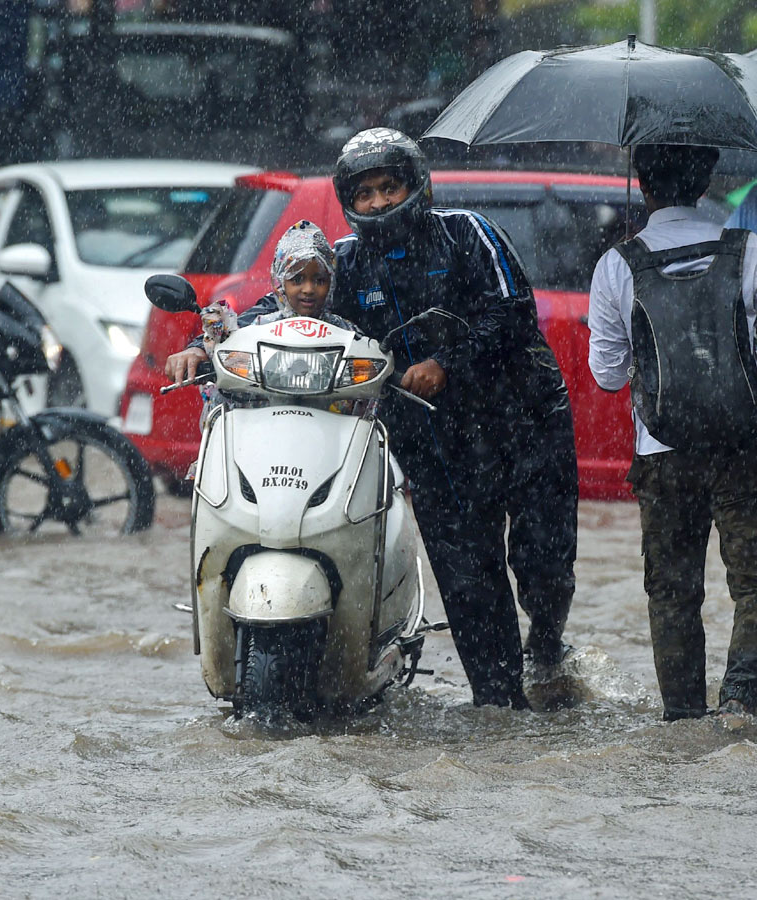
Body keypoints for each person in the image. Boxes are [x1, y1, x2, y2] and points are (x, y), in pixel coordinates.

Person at [169, 128, 579, 708]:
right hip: (437, 448)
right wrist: (203, 345)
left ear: (417, 186)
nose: (380, 202)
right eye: (366, 194)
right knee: (468, 587)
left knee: (542, 567)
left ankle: (547, 643)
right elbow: (277, 313)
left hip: (525, 428)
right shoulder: (345, 266)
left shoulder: (471, 234)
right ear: (350, 203)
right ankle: (501, 710)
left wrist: (447, 363)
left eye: (390, 187)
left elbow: (512, 315)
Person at [588, 144, 757, 721]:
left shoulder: (617, 264)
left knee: (673, 594)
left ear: (642, 182)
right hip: (743, 448)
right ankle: (740, 701)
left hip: (662, 452)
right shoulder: (750, 250)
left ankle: (683, 720)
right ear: (708, 177)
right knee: (754, 583)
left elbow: (607, 376)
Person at [192, 220, 358, 429]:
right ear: (280, 283)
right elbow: (228, 348)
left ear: (331, 282)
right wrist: (206, 348)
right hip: (263, 432)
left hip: (332, 434)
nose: (308, 289)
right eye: (297, 279)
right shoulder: (260, 327)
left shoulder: (345, 331)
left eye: (319, 280)